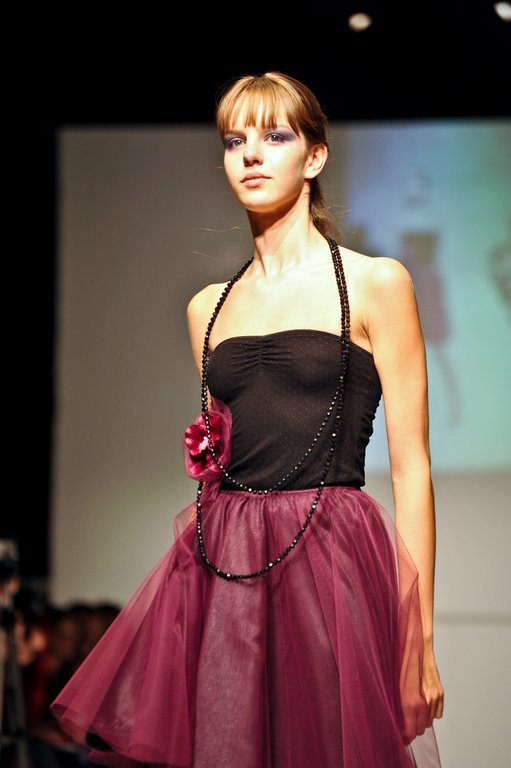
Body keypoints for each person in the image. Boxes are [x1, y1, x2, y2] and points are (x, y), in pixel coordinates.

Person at [49, 71, 444, 767]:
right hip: (225, 561)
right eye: (234, 141)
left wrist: (420, 640)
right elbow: (214, 460)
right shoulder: (206, 307)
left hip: (329, 552)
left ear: (314, 157)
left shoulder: (375, 283)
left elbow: (412, 467)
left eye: (275, 136)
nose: (251, 155)